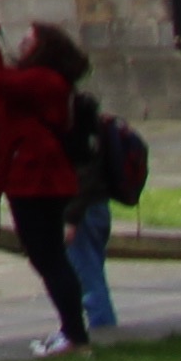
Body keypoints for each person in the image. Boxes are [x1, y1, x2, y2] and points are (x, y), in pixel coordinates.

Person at [0, 18, 93, 353]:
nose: (23, 45)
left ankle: (75, 335)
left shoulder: (44, 80)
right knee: (47, 257)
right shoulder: (39, 79)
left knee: (48, 258)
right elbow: (3, 80)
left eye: (30, 41)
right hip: (32, 178)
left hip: (37, 179)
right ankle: (71, 331)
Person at [64, 57, 133, 338]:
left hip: (86, 209)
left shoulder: (76, 117)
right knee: (91, 274)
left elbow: (84, 173)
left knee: (89, 280)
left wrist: (71, 218)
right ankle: (102, 330)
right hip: (96, 207)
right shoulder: (86, 111)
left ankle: (105, 336)